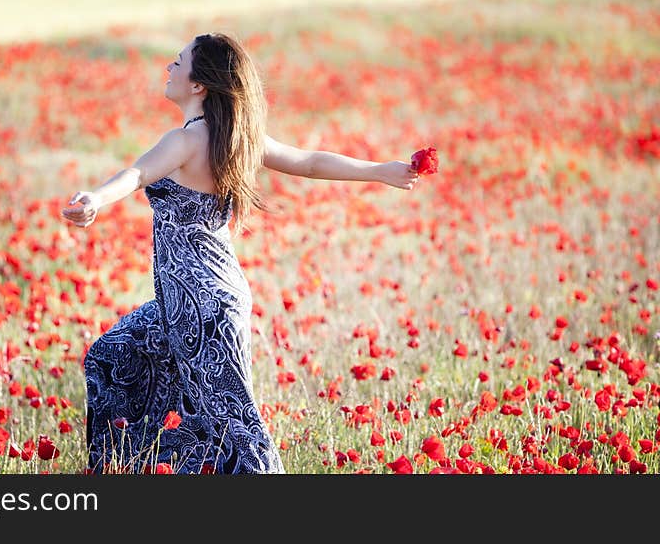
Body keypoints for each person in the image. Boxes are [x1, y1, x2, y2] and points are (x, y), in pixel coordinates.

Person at [62, 32, 419, 474]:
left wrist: (95, 199)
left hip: (201, 307)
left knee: (235, 426)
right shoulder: (236, 137)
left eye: (178, 63)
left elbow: (136, 175)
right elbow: (308, 161)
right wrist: (380, 171)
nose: (169, 69)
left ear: (198, 85)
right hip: (193, 303)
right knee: (113, 358)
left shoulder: (187, 140)